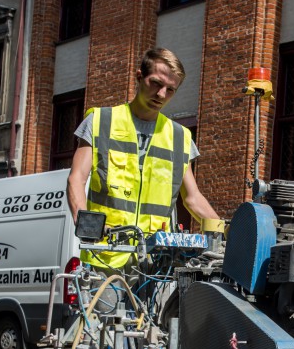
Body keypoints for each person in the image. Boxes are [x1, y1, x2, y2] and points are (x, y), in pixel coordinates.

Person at [67, 48, 220, 270]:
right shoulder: (101, 121)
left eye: (170, 89)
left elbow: (192, 198)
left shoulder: (180, 137)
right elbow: (76, 179)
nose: (161, 95)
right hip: (106, 254)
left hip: (156, 260)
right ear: (139, 77)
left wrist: (226, 232)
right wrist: (86, 224)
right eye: (156, 83)